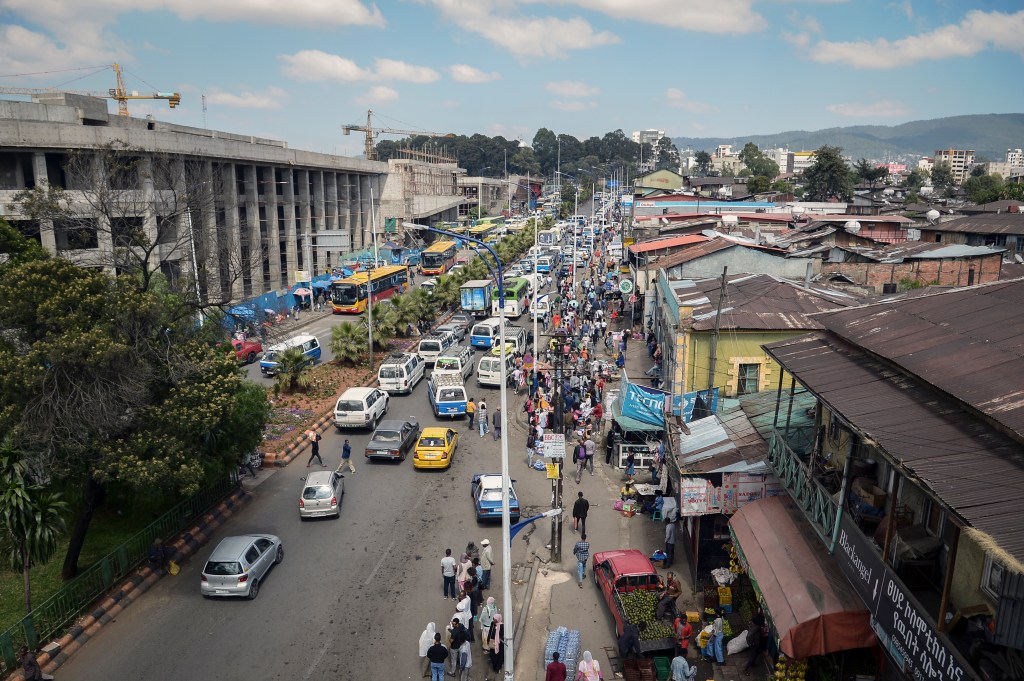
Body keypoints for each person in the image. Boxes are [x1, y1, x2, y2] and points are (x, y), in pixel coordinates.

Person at [743, 608, 766, 674]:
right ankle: (745, 669)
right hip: (754, 644)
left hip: (755, 643)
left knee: (755, 654)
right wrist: (750, 643)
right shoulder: (756, 628)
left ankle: (752, 664)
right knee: (752, 656)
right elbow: (749, 635)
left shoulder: (753, 625)